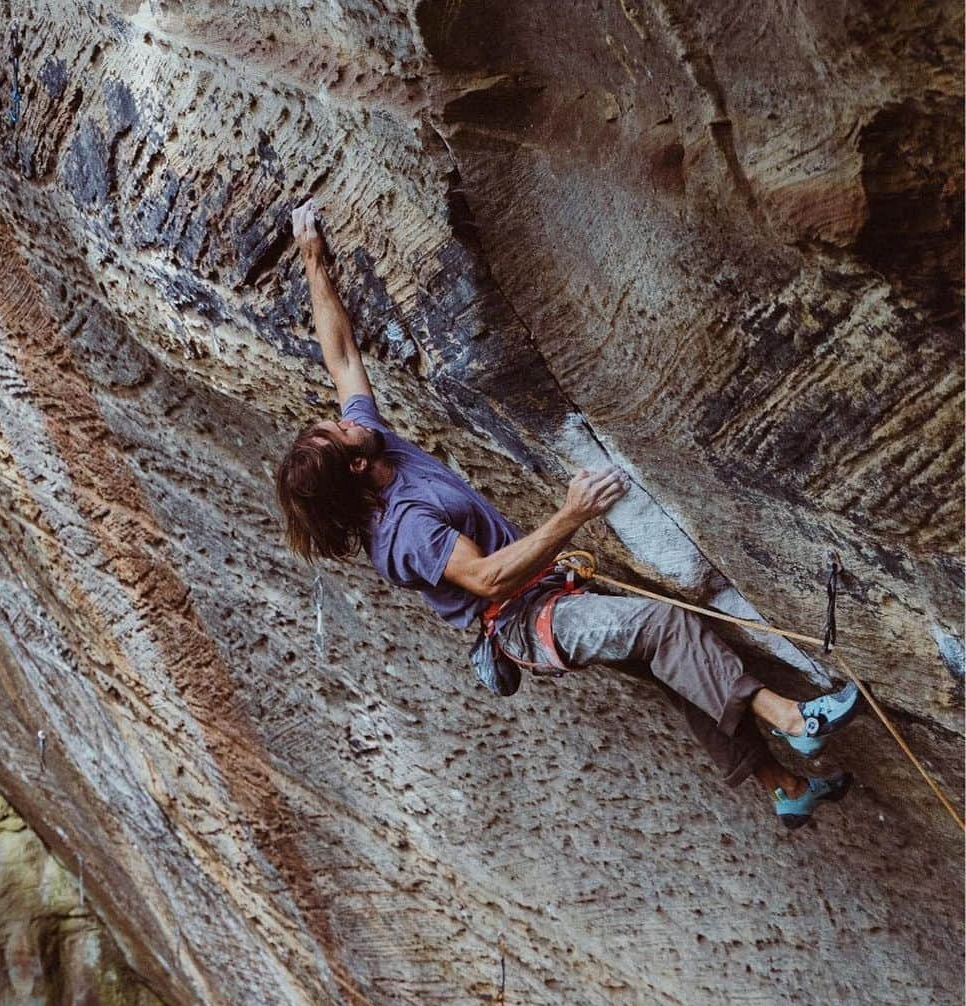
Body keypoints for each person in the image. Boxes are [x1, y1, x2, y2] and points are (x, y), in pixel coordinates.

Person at [276, 200, 861, 829]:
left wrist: (314, 261)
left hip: (547, 594)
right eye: (340, 430)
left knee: (677, 669)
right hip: (526, 619)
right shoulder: (406, 531)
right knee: (663, 627)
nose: (347, 418)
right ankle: (795, 719)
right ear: (354, 469)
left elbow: (340, 357)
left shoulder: (372, 446)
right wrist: (572, 513)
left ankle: (784, 788)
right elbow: (489, 579)